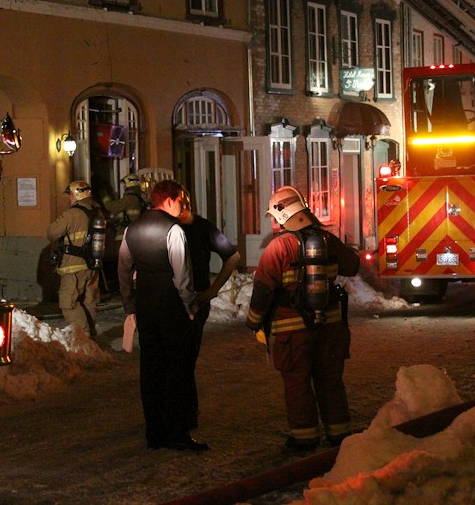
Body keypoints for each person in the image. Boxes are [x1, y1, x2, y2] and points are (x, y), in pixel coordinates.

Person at [245, 186, 361, 452]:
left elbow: (263, 290)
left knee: (298, 384)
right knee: (330, 381)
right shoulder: (327, 241)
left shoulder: (278, 248)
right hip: (330, 327)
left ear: (282, 215)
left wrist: (253, 322)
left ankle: (305, 438)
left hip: (292, 332)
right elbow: (352, 266)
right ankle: (339, 434)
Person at [117, 179, 207, 452]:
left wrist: (130, 305)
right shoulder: (173, 230)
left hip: (146, 306)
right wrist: (190, 307)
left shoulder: (132, 230)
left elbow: (123, 269)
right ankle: (178, 433)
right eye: (180, 201)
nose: (182, 207)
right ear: (169, 200)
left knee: (151, 370)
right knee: (177, 371)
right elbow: (182, 275)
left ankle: (154, 433)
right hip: (171, 307)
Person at [178, 187, 242, 430]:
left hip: (194, 301)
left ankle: (185, 415)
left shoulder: (200, 227)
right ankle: (183, 414)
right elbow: (233, 256)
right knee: (183, 360)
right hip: (190, 300)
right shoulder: (196, 227)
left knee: (183, 360)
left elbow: (232, 256)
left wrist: (214, 289)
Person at [46, 180, 104, 337]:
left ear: (77, 195)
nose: (69, 198)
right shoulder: (97, 212)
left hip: (73, 266)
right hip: (93, 265)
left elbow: (51, 233)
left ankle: (82, 335)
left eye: (70, 195)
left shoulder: (72, 214)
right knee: (89, 301)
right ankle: (91, 335)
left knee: (68, 302)